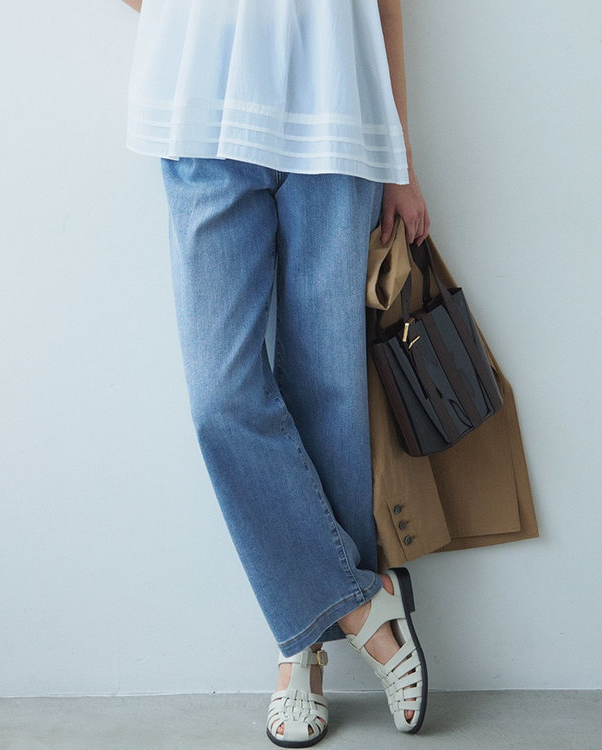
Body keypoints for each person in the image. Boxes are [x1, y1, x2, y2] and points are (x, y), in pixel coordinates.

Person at [122, 0, 430, 744]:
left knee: (328, 393)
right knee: (220, 399)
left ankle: (302, 655)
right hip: (202, 115)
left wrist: (401, 164)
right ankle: (363, 607)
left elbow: (386, 6)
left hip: (336, 114)